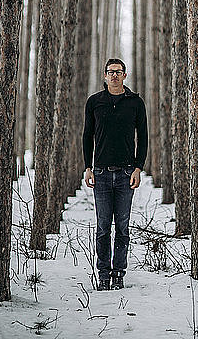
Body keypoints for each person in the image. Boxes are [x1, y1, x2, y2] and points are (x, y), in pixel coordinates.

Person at [82, 58, 148, 291]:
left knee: (122, 225)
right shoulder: (94, 102)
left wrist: (138, 168)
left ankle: (119, 273)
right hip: (99, 173)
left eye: (118, 72)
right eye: (110, 72)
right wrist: (88, 167)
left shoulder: (135, 103)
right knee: (102, 226)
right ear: (104, 75)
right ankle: (103, 273)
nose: (114, 76)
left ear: (125, 75)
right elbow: (87, 136)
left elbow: (144, 137)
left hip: (126, 174)